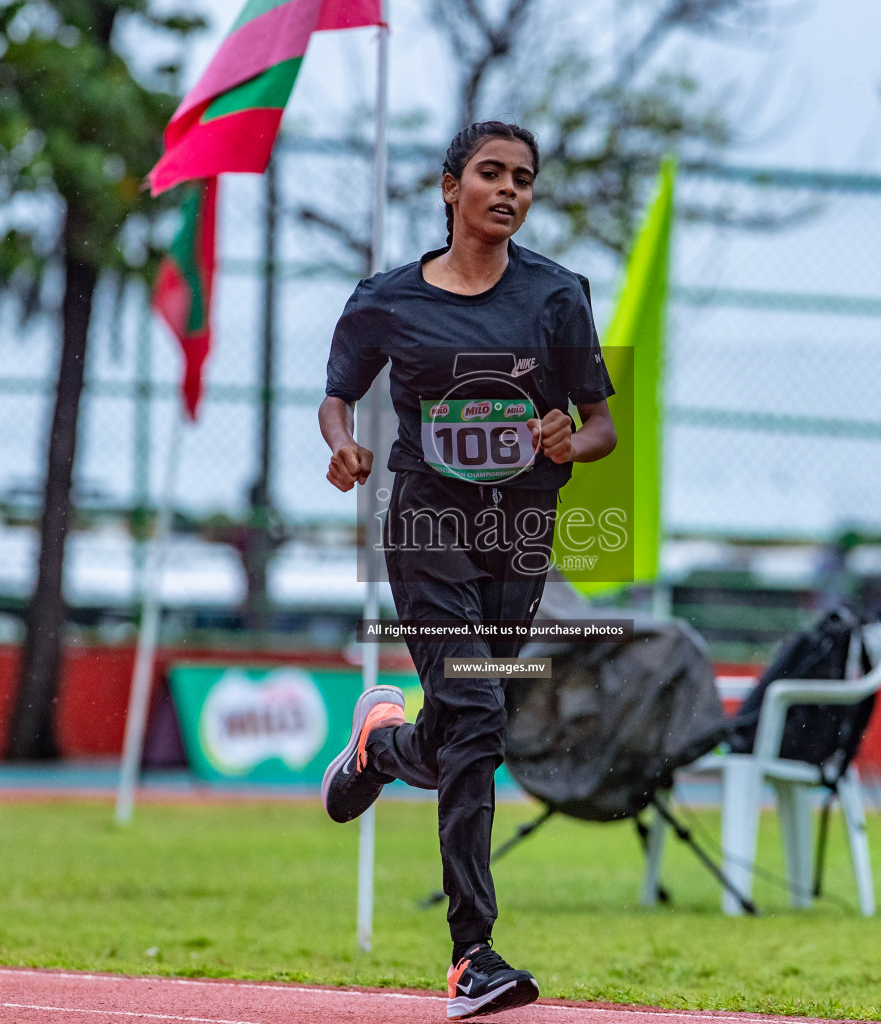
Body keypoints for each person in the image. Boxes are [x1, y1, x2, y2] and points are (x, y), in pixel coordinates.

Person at [316, 121, 617, 1019]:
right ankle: (471, 956)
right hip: (426, 521)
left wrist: (573, 436)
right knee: (482, 709)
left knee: (459, 727)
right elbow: (337, 399)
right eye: (490, 173)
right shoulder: (389, 300)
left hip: (521, 529)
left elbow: (600, 426)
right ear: (451, 187)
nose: (509, 189)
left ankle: (384, 747)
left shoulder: (558, 297)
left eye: (523, 178)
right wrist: (343, 449)